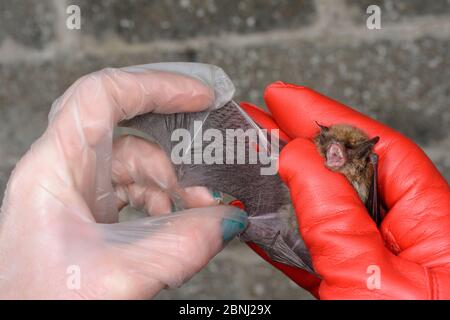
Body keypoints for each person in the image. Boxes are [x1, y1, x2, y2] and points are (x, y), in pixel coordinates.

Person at [0, 66, 449, 299]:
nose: (334, 154)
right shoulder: (304, 153)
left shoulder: (364, 174)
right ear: (323, 140)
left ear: (360, 157)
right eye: (329, 144)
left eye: (344, 154)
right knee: (251, 150)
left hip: (357, 226)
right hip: (292, 200)